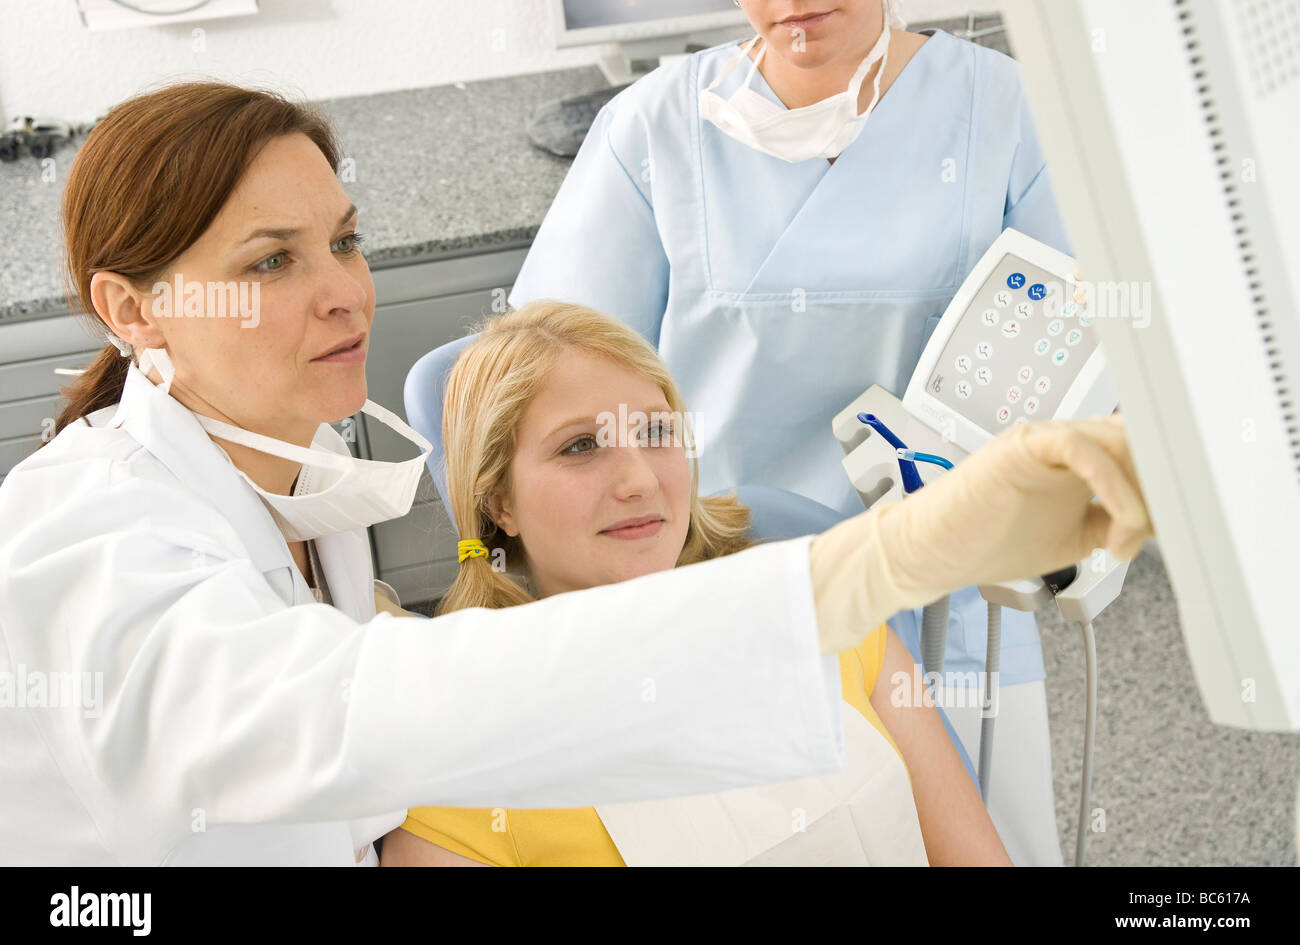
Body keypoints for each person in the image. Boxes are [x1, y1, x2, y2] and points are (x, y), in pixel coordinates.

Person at [0, 81, 1151, 867]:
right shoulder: (94, 531)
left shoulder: (306, 482)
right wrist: (874, 562)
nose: (345, 290)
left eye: (344, 241)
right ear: (132, 306)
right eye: (271, 261)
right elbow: (339, 712)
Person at [505, 0, 1075, 864]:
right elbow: (548, 376)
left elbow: (1082, 361)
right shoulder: (653, 130)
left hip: (948, 600)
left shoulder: (1005, 111)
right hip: (723, 595)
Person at [380, 302, 1015, 866]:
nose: (638, 480)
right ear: (499, 503)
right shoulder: (462, 786)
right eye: (580, 447)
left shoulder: (825, 618)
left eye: (656, 433)